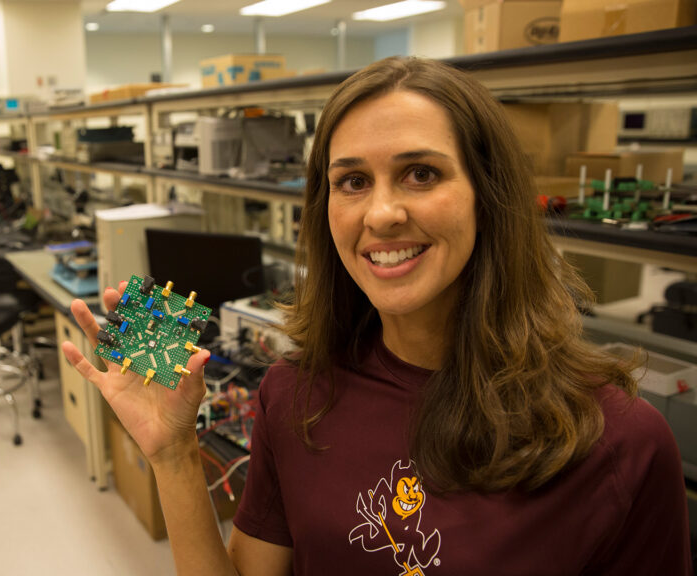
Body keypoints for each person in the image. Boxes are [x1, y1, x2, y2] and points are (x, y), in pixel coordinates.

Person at [61, 56, 692, 575]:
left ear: (488, 196)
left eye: (420, 173)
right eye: (352, 181)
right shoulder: (295, 394)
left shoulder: (618, 440)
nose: (381, 213)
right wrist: (173, 455)